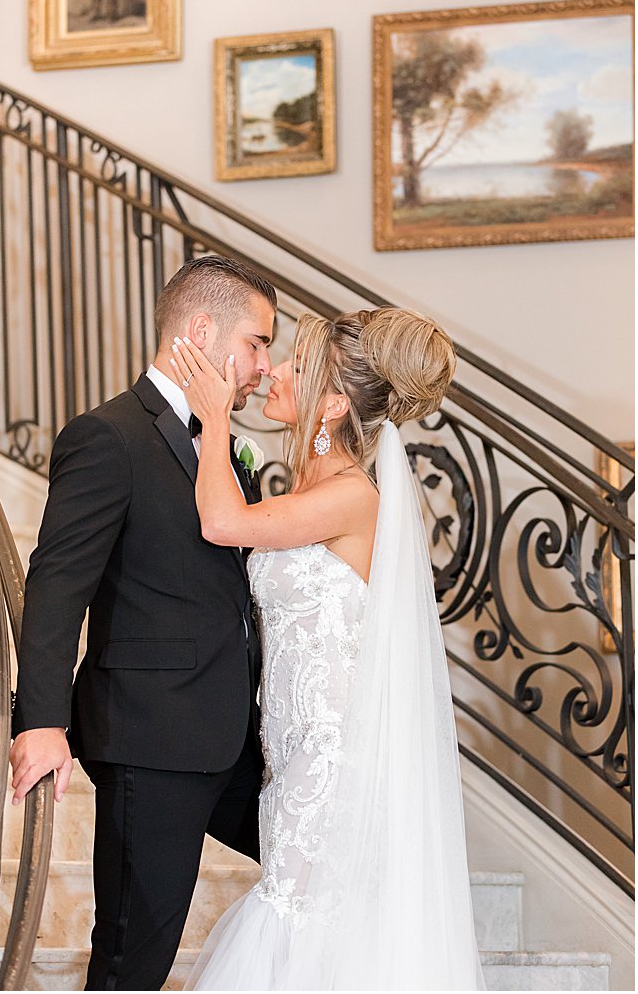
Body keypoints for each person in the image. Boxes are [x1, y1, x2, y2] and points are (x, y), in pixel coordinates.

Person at [170, 307, 483, 989]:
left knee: (298, 911)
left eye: (299, 367)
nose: (275, 371)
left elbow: (222, 522)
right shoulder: (309, 488)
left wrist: (216, 419)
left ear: (334, 403)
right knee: (301, 909)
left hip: (334, 748)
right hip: (294, 740)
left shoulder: (351, 496)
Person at [9, 255, 276, 990]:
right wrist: (41, 719)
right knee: (134, 958)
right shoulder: (108, 437)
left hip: (230, 736)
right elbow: (59, 582)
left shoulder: (223, 441)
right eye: (256, 342)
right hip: (150, 740)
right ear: (200, 329)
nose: (262, 365)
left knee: (321, 864)